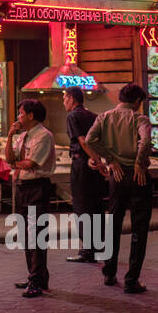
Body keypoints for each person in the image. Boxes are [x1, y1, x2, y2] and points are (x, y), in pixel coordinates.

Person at [85, 83, 153, 294]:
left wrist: (110, 158)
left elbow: (89, 140)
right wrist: (139, 163)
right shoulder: (139, 119)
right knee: (139, 229)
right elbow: (145, 141)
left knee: (113, 223)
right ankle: (132, 280)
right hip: (137, 176)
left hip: (116, 176)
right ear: (137, 102)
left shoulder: (104, 117)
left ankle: (109, 272)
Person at [7, 99, 56, 297]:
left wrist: (17, 164)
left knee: (36, 235)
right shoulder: (23, 136)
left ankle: (37, 280)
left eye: (20, 113)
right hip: (23, 188)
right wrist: (10, 135)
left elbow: (31, 163)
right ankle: (35, 276)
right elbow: (10, 159)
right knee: (26, 235)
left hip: (37, 188)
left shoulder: (44, 136)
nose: (18, 117)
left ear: (30, 115)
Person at [63, 86, 106, 263]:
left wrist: (94, 159)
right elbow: (99, 141)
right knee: (96, 206)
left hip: (82, 163)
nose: (64, 102)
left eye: (65, 98)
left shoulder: (73, 116)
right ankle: (99, 245)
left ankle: (88, 250)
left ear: (72, 99)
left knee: (82, 206)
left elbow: (83, 141)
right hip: (93, 165)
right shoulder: (93, 115)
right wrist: (99, 160)